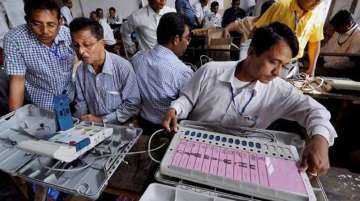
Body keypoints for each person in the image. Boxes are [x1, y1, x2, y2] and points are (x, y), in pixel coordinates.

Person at [163, 22, 337, 177]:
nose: (277, 72)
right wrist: (175, 109)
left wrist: (320, 139)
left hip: (239, 160)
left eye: (284, 65)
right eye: (273, 62)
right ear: (252, 52)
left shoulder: (279, 90)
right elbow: (187, 99)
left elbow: (315, 110)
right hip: (195, 147)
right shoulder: (210, 71)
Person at [4, 0, 74, 111]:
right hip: (40, 108)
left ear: (60, 22)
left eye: (51, 25)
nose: (44, 31)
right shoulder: (15, 39)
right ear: (27, 21)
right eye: (36, 24)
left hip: (71, 101)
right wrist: (16, 118)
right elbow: (17, 81)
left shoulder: (68, 35)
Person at [70, 17, 140, 124]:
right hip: (93, 127)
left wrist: (102, 120)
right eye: (76, 45)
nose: (81, 51)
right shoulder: (80, 70)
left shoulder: (122, 67)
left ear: (102, 43)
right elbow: (81, 104)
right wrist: (79, 123)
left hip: (121, 126)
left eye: (87, 45)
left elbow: (132, 105)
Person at [132, 13, 193, 134]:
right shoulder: (183, 71)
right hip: (169, 129)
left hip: (143, 125)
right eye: (187, 38)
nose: (188, 43)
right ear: (176, 39)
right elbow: (188, 105)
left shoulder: (137, 59)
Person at [254, 0, 326, 77]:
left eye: (320, 0)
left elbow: (314, 42)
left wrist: (312, 67)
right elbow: (257, 31)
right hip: (271, 61)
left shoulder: (317, 15)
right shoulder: (281, 6)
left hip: (292, 65)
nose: (317, 2)